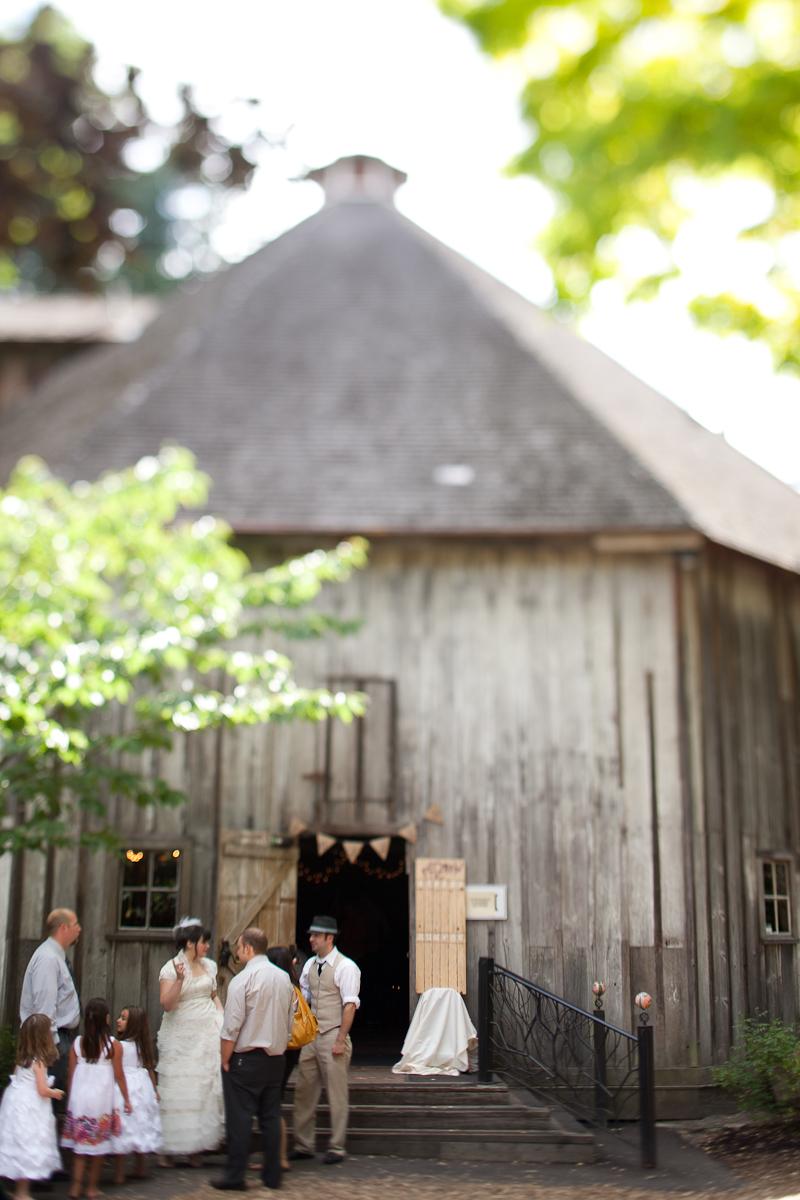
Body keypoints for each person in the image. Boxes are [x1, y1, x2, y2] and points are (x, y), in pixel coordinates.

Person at [212, 928, 294, 1192]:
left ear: (248, 948)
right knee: (270, 1117)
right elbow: (289, 1021)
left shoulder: (242, 980)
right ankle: (273, 1177)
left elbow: (231, 1026)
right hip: (276, 1059)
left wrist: (225, 1059)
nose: (236, 953)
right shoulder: (284, 979)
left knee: (240, 1119)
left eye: (238, 948)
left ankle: (235, 1176)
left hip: (246, 1059)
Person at [291, 915, 361, 1165]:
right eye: (311, 935)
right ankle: (303, 1144)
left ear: (329, 938)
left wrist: (341, 1038)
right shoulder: (309, 964)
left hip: (333, 1032)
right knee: (304, 1089)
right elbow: (305, 999)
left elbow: (350, 1005)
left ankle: (337, 1146)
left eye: (316, 936)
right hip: (312, 1035)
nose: (310, 939)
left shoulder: (346, 966)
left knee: (336, 1092)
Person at [157, 917, 224, 1165]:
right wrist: (180, 979)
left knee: (201, 1088)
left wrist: (221, 1017)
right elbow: (167, 1003)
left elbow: (213, 995)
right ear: (189, 943)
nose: (206, 946)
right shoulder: (170, 967)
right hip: (181, 1034)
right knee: (178, 1089)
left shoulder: (210, 966)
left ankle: (196, 1146)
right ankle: (170, 1147)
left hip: (206, 1033)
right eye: (203, 942)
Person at [61, 998, 131, 1200]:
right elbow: (119, 1075)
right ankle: (92, 1188)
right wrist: (127, 1099)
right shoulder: (113, 1046)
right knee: (97, 1149)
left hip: (80, 1103)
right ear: (106, 1019)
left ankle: (75, 1187)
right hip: (100, 1104)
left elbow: (71, 1075)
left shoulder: (77, 1044)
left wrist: (71, 1101)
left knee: (80, 1149)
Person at [0, 1014, 63, 1198]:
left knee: (18, 1142)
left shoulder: (22, 1060)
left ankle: (17, 1189)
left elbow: (17, 1080)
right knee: (29, 1144)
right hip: (31, 1106)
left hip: (15, 1103)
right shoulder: (39, 1062)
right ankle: (22, 1192)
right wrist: (55, 1093)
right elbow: (42, 1089)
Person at [19, 909, 81, 1095]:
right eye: (75, 925)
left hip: (58, 1039)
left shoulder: (56, 956)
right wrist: (52, 1048)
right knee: (47, 1100)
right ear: (63, 928)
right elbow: (44, 1007)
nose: (79, 929)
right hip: (51, 1042)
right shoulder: (48, 958)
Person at [111, 1006, 162, 1182]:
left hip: (125, 1086)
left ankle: (120, 1173)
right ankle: (140, 1167)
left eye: (123, 1018)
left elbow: (119, 1071)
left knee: (124, 1126)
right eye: (120, 1016)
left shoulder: (119, 1046)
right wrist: (154, 1090)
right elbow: (149, 1068)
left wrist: (155, 1091)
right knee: (140, 1123)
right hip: (142, 1088)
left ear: (133, 1025)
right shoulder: (143, 1045)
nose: (118, 1020)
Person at [265, 945, 303, 1171]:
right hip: (290, 1049)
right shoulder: (294, 986)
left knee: (271, 1104)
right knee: (274, 1101)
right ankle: (278, 1156)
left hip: (277, 1048)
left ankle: (278, 1157)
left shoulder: (278, 988)